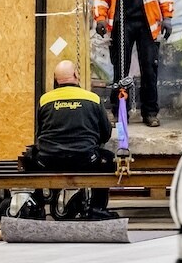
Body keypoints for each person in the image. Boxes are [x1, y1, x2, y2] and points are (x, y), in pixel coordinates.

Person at [93, 0, 175, 126]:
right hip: (122, 23)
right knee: (121, 70)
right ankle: (120, 113)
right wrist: (100, 17)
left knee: (150, 68)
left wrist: (167, 17)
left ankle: (150, 113)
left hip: (148, 24)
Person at [18, 60, 115, 217]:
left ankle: (37, 207)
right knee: (109, 160)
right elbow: (106, 134)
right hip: (86, 160)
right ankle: (97, 209)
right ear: (76, 75)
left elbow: (39, 133)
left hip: (48, 161)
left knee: (29, 158)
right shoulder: (93, 99)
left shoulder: (45, 100)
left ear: (56, 80)